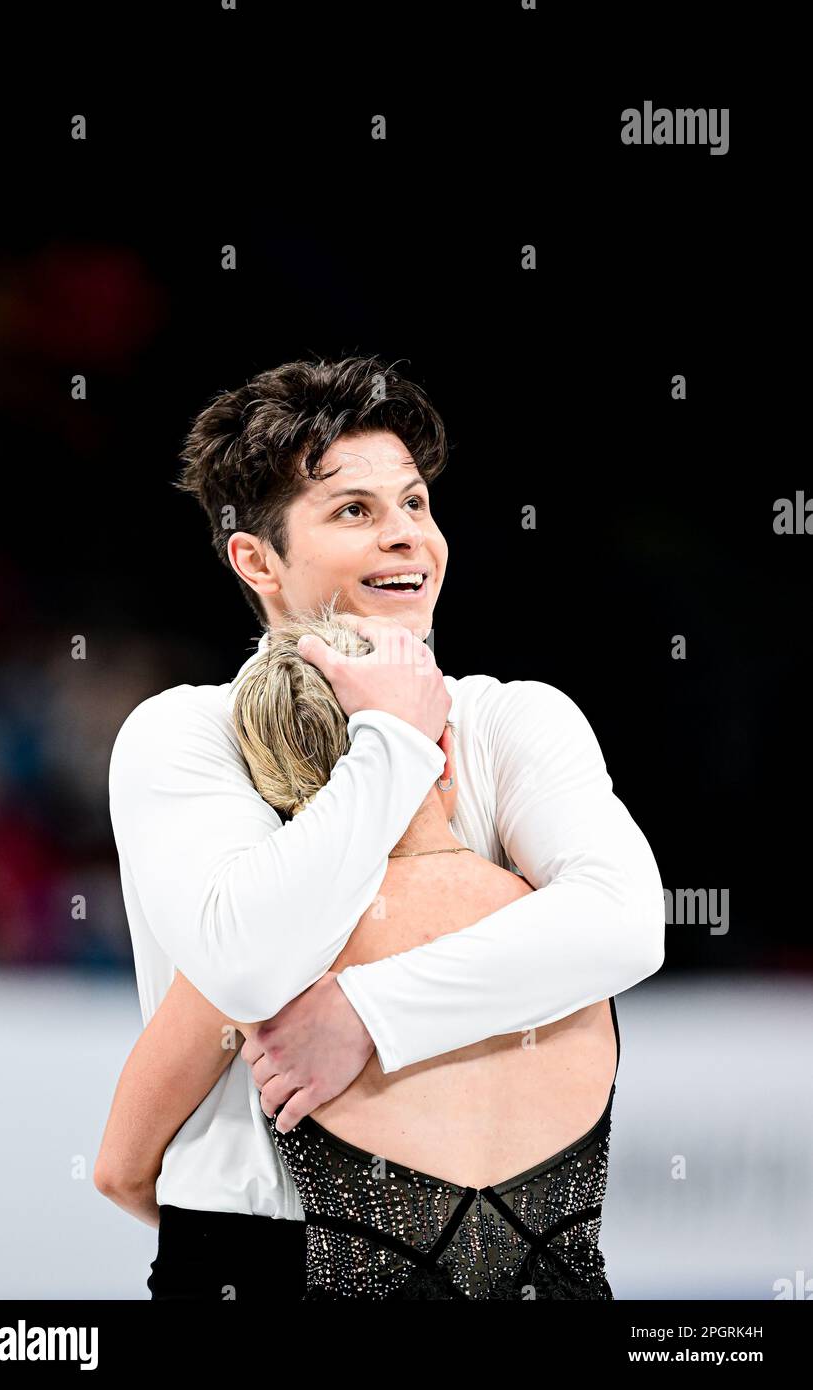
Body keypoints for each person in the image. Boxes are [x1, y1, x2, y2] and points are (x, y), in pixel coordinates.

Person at [96, 353, 664, 1301]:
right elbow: (245, 962)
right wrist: (393, 744)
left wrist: (365, 1013)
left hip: (524, 1256)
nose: (408, 536)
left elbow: (624, 921)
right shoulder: (182, 732)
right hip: (255, 1257)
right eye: (355, 511)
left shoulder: (513, 718)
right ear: (257, 558)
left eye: (415, 504)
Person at [97, 605, 625, 1299]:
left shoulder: (278, 952)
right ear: (445, 755)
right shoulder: (565, 929)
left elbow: (119, 1173)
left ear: (275, 791)